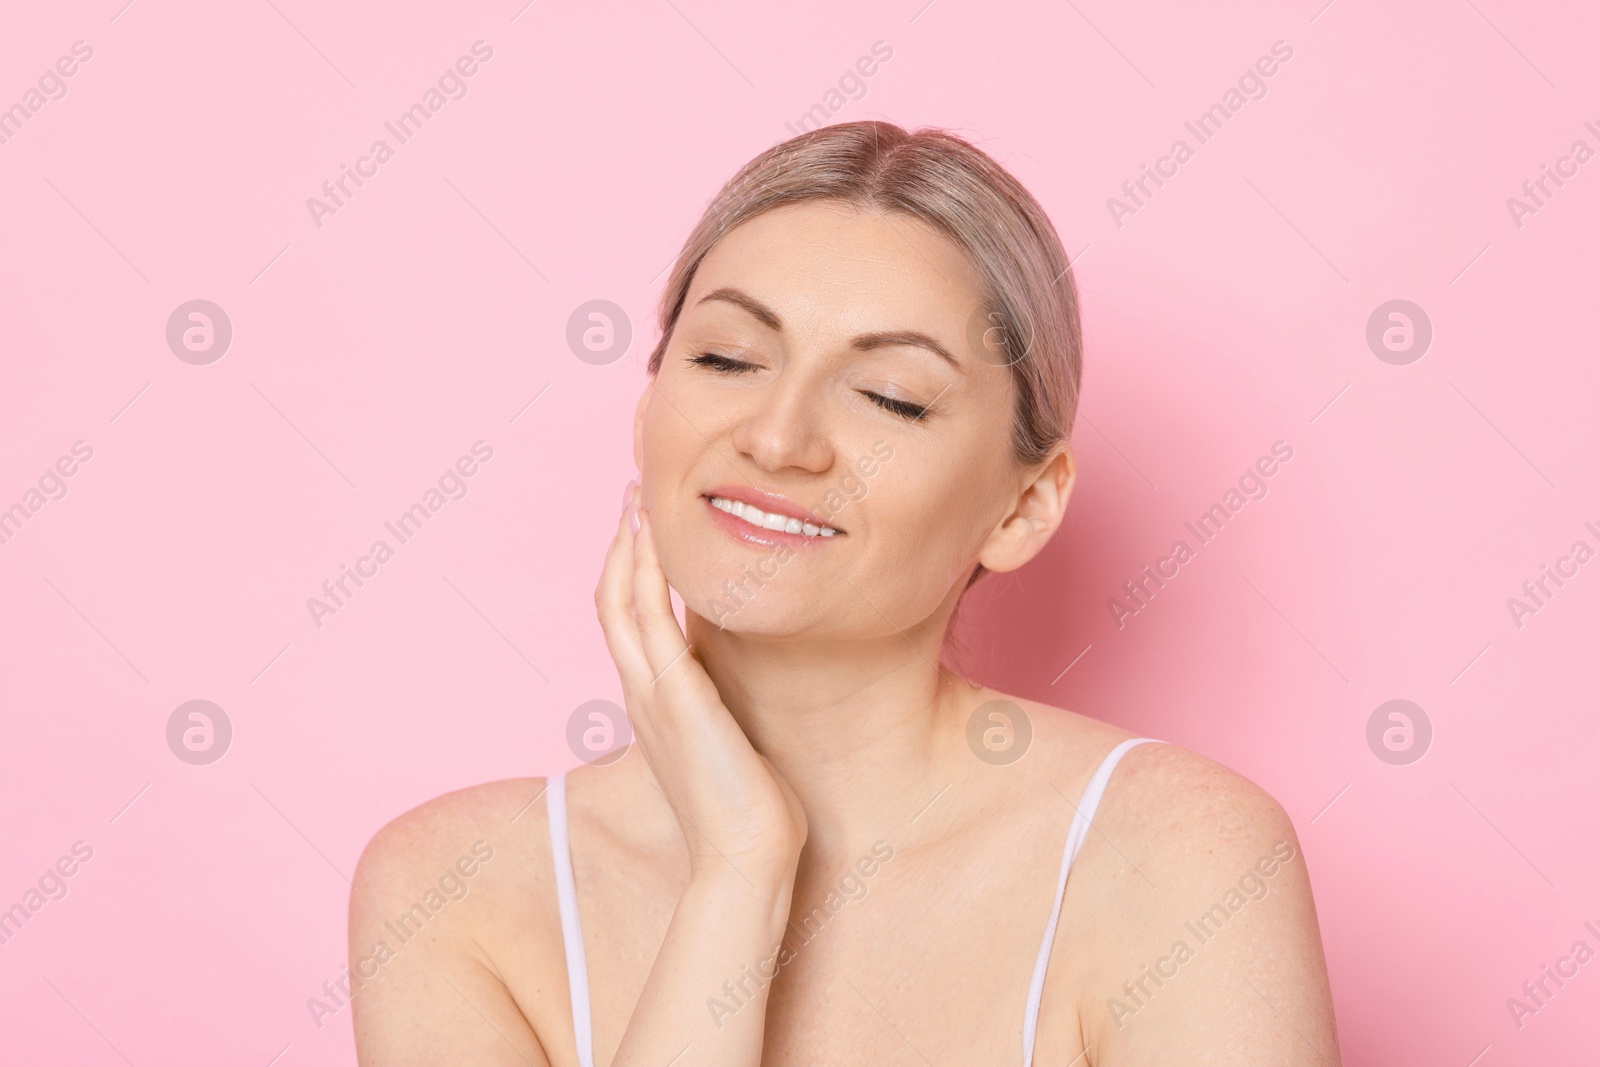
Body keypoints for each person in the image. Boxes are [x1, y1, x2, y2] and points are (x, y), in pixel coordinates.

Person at [349, 120, 1342, 1066]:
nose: (777, 438)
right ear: (650, 402)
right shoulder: (451, 890)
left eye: (891, 397)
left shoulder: (1176, 855)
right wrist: (738, 867)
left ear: (1022, 506)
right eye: (726, 358)